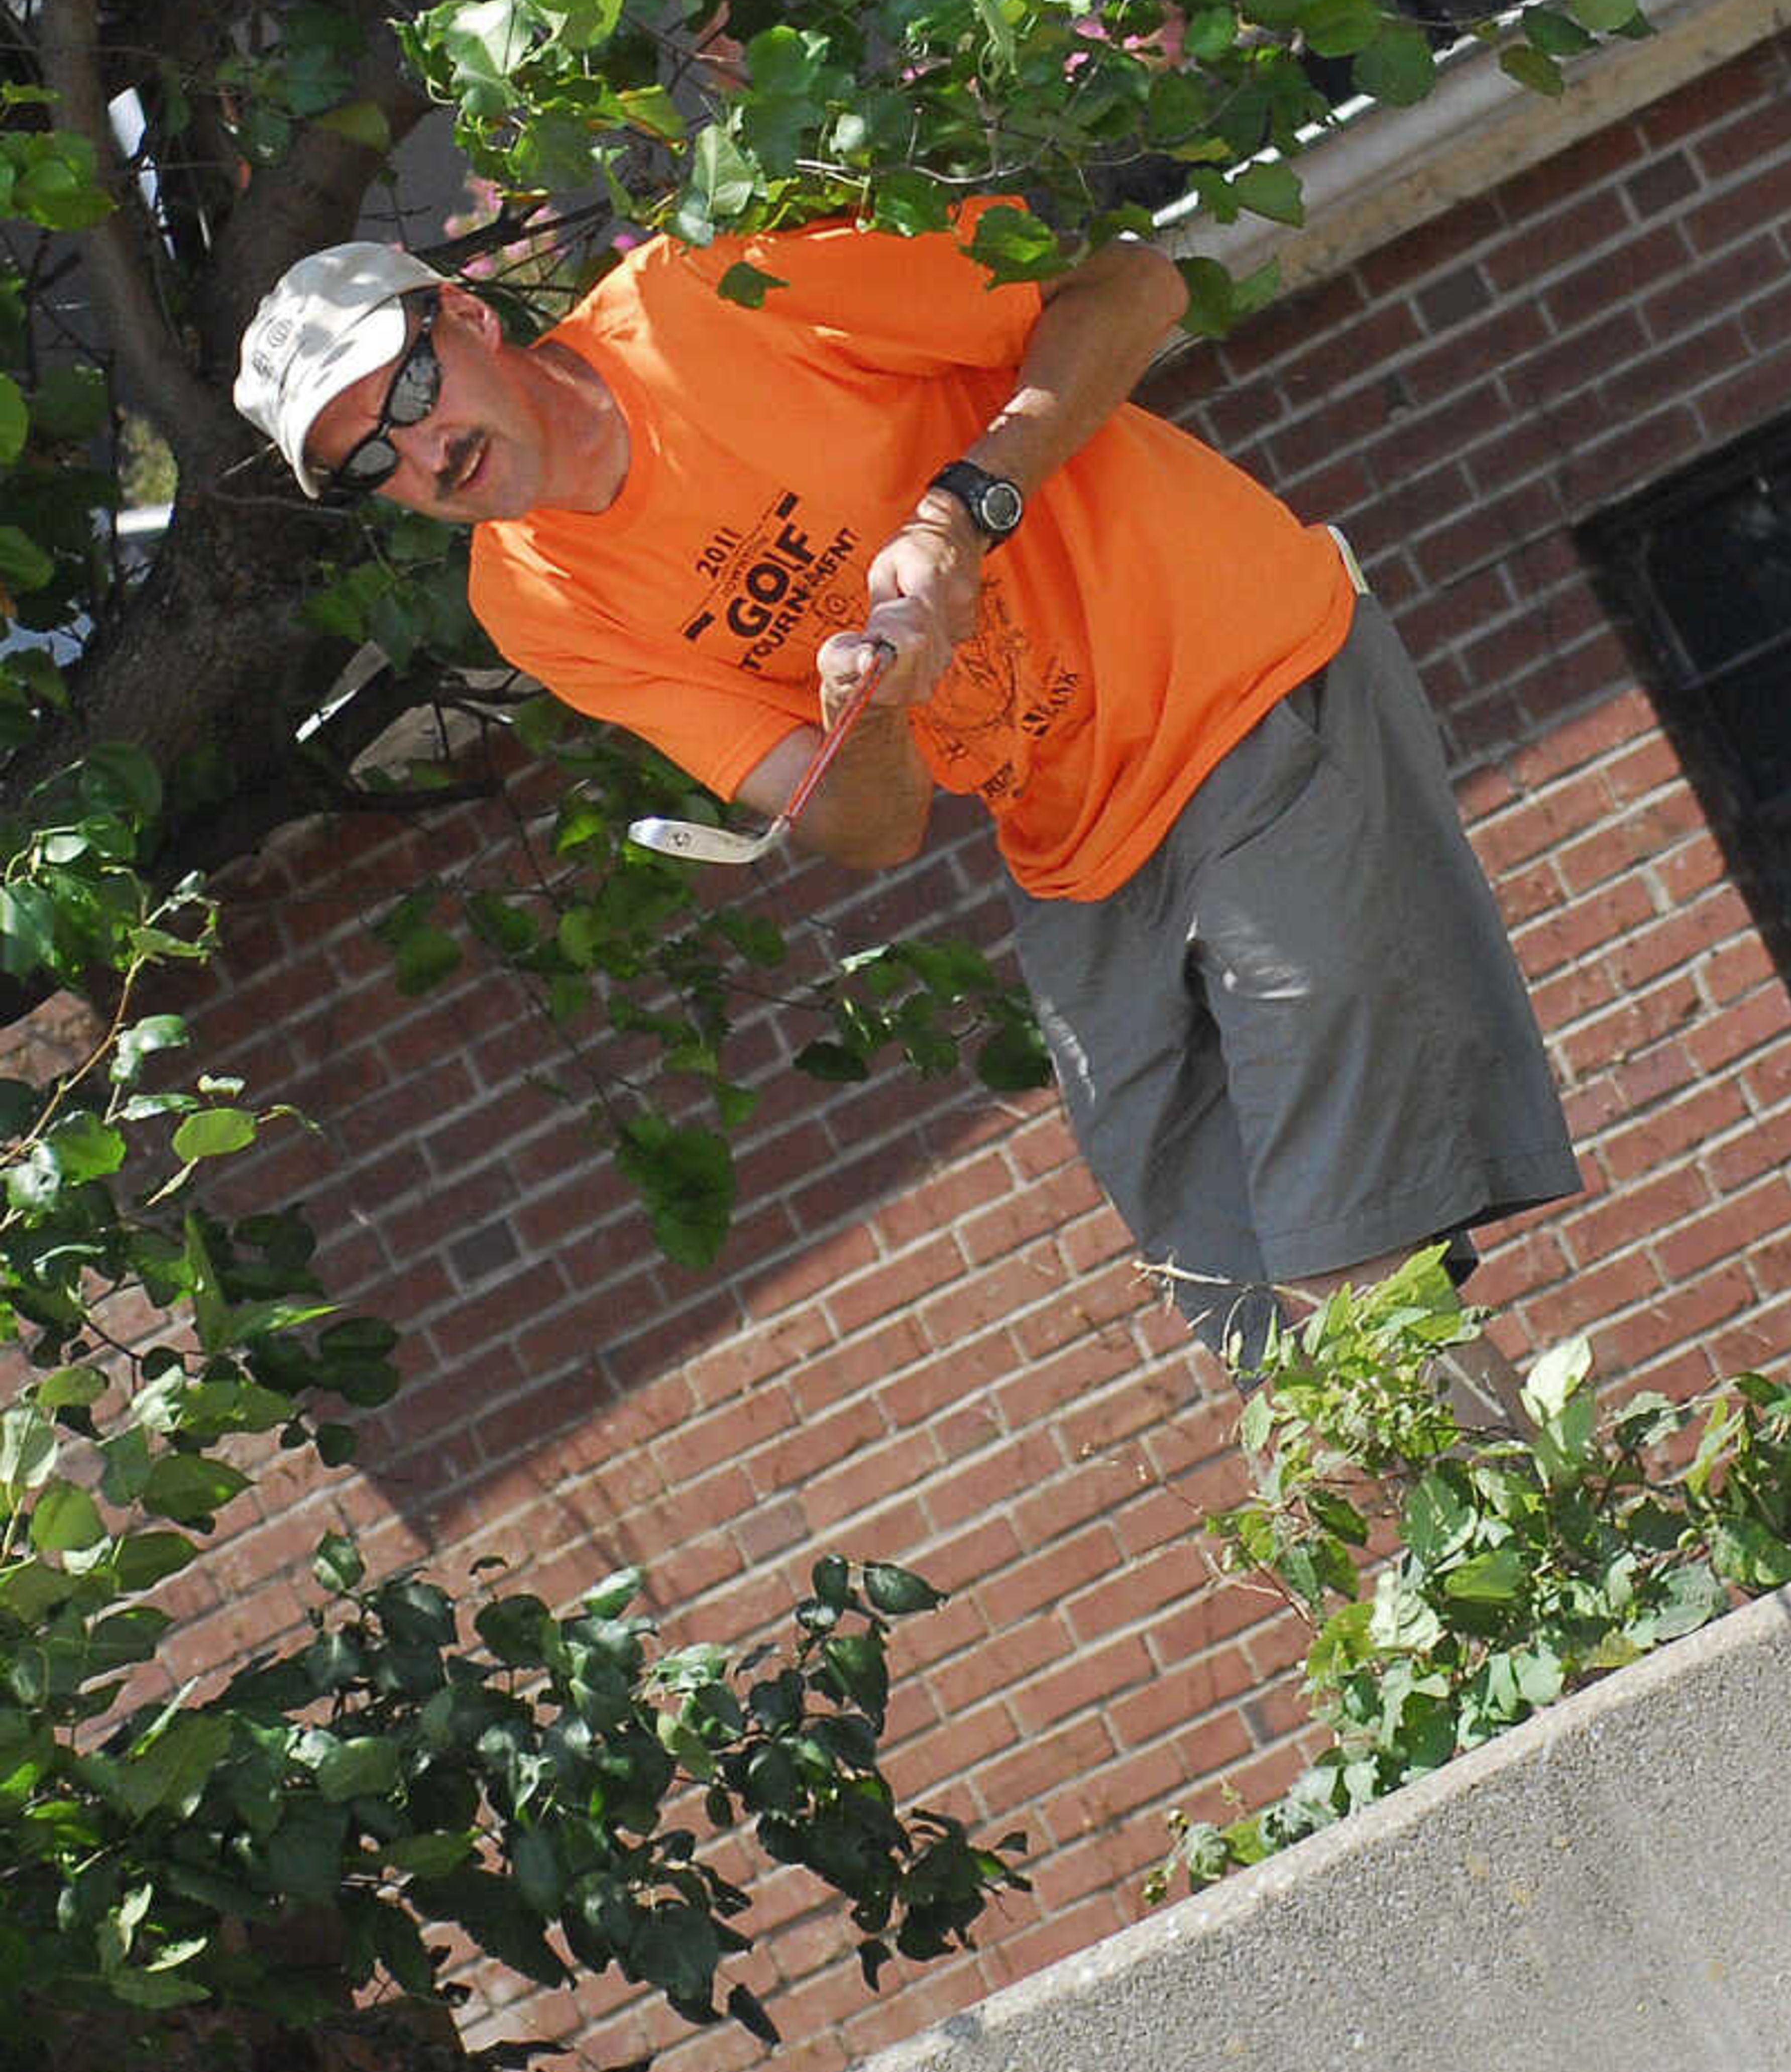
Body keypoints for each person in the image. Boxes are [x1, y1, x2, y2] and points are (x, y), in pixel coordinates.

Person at [234, 213, 1579, 1406]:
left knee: (1351, 1265)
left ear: (467, 315)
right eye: (368, 463)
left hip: (1240, 678)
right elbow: (864, 828)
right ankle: (1524, 1594)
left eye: (409, 385)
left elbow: (1133, 291)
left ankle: (1556, 1589)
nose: (420, 449)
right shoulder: (527, 601)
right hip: (1074, 839)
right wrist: (863, 716)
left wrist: (960, 517)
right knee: (1246, 1316)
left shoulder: (713, 292)